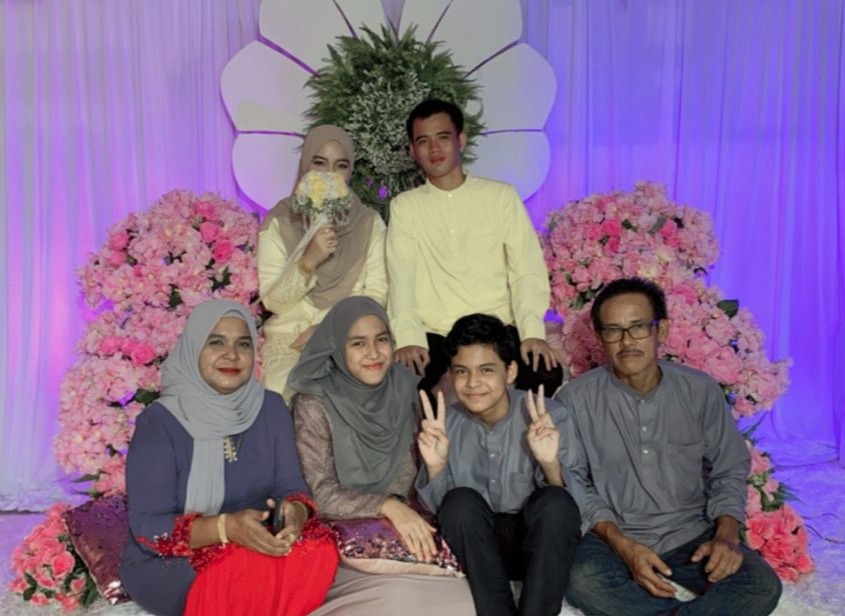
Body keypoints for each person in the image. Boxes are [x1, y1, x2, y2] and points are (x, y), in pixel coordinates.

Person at [554, 278, 782, 616]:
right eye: (613, 331)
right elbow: (574, 481)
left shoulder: (699, 390)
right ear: (600, 338)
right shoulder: (575, 399)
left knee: (760, 584)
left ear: (661, 330)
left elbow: (729, 466)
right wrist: (623, 545)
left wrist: (726, 537)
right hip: (613, 536)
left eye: (638, 327)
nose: (626, 341)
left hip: (691, 534)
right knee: (583, 580)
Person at [120, 300, 338, 616]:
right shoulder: (159, 423)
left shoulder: (270, 407)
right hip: (173, 558)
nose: (232, 355)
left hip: (259, 538)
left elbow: (291, 486)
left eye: (243, 344)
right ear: (194, 348)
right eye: (216, 342)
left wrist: (296, 514)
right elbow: (149, 527)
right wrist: (225, 528)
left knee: (320, 551)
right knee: (243, 572)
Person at [287, 296, 475, 615]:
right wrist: (386, 505)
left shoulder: (408, 390)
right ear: (337, 346)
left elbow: (426, 487)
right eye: (358, 343)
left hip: (409, 538)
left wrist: (436, 467)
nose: (374, 353)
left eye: (382, 339)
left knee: (464, 602)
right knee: (399, 600)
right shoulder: (314, 403)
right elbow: (320, 494)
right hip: (344, 545)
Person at [386, 98, 562, 397]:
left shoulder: (501, 196)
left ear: (461, 140)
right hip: (436, 332)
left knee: (544, 372)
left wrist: (532, 333)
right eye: (423, 141)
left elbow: (526, 270)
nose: (434, 149)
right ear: (412, 151)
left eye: (443, 137)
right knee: (406, 386)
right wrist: (408, 338)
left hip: (497, 327)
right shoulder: (405, 206)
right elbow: (400, 278)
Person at [415, 313, 582, 616]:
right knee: (460, 502)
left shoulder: (548, 416)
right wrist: (436, 467)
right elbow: (449, 518)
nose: (473, 383)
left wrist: (549, 464)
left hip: (538, 547)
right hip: (478, 551)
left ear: (510, 371)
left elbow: (570, 512)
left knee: (555, 501)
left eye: (486, 370)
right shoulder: (444, 425)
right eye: (462, 371)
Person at [259, 125, 387, 399]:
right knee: (280, 393)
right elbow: (273, 303)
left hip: (351, 333)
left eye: (341, 166)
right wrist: (308, 261)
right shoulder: (280, 221)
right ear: (305, 165)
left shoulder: (368, 223)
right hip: (291, 337)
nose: (329, 174)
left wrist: (330, 331)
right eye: (319, 163)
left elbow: (375, 296)